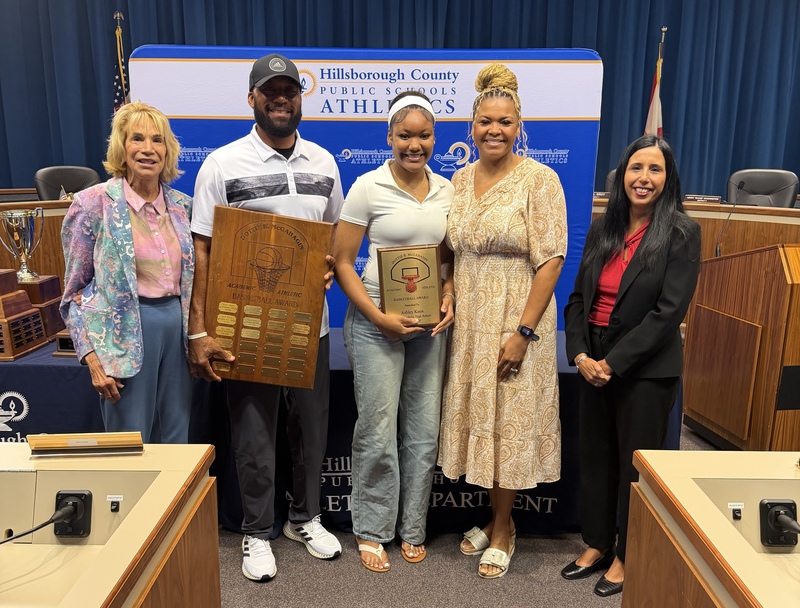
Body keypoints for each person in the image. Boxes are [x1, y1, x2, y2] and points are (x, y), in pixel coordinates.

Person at [188, 53, 344, 582]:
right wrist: (199, 330)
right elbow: (203, 250)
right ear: (251, 98)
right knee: (253, 433)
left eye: (290, 90)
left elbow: (334, 239)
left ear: (301, 97)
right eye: (270, 91)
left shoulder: (325, 163)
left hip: (310, 326)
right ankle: (258, 531)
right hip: (246, 327)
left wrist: (327, 269)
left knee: (311, 428)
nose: (281, 99)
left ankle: (307, 517)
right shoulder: (222, 164)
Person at [437, 64, 567, 579]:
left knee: (508, 417)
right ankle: (493, 517)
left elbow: (552, 259)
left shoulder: (541, 179)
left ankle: (505, 527)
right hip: (470, 320)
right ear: (471, 125)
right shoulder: (459, 179)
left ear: (519, 126)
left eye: (505, 122)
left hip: (517, 319)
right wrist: (446, 289)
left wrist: (524, 332)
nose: (495, 130)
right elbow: (448, 251)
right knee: (481, 418)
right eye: (486, 121)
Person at [562, 135, 701, 598]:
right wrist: (581, 355)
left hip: (644, 368)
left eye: (655, 170)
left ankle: (628, 552)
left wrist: (613, 363)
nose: (644, 178)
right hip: (593, 360)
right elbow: (579, 298)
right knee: (596, 456)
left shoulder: (681, 232)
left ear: (668, 178)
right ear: (623, 174)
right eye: (636, 168)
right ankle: (597, 542)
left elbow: (669, 312)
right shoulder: (604, 227)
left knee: (633, 467)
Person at [333, 91, 455, 572]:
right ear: (389, 137)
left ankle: (413, 528)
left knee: (423, 432)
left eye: (423, 135)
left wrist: (448, 296)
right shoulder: (367, 186)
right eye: (405, 135)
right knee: (378, 431)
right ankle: (372, 529)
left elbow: (447, 258)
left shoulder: (448, 190)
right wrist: (377, 317)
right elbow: (342, 261)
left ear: (433, 139)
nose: (414, 144)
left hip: (429, 324)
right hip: (375, 320)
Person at [60, 101, 194, 444]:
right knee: (130, 444)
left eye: (157, 140)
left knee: (176, 442)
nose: (148, 149)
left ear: (168, 150)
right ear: (122, 147)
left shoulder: (184, 207)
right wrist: (91, 356)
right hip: (120, 338)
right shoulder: (91, 204)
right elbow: (74, 294)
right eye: (137, 139)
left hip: (178, 333)